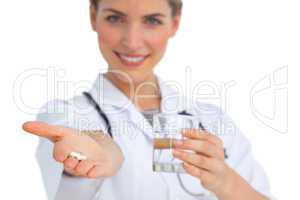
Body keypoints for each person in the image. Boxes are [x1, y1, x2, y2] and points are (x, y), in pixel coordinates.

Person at [22, 0, 273, 199]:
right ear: (92, 17)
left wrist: (223, 182)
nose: (132, 42)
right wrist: (91, 168)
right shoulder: (65, 117)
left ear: (174, 24)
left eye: (152, 20)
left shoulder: (212, 120)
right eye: (114, 18)